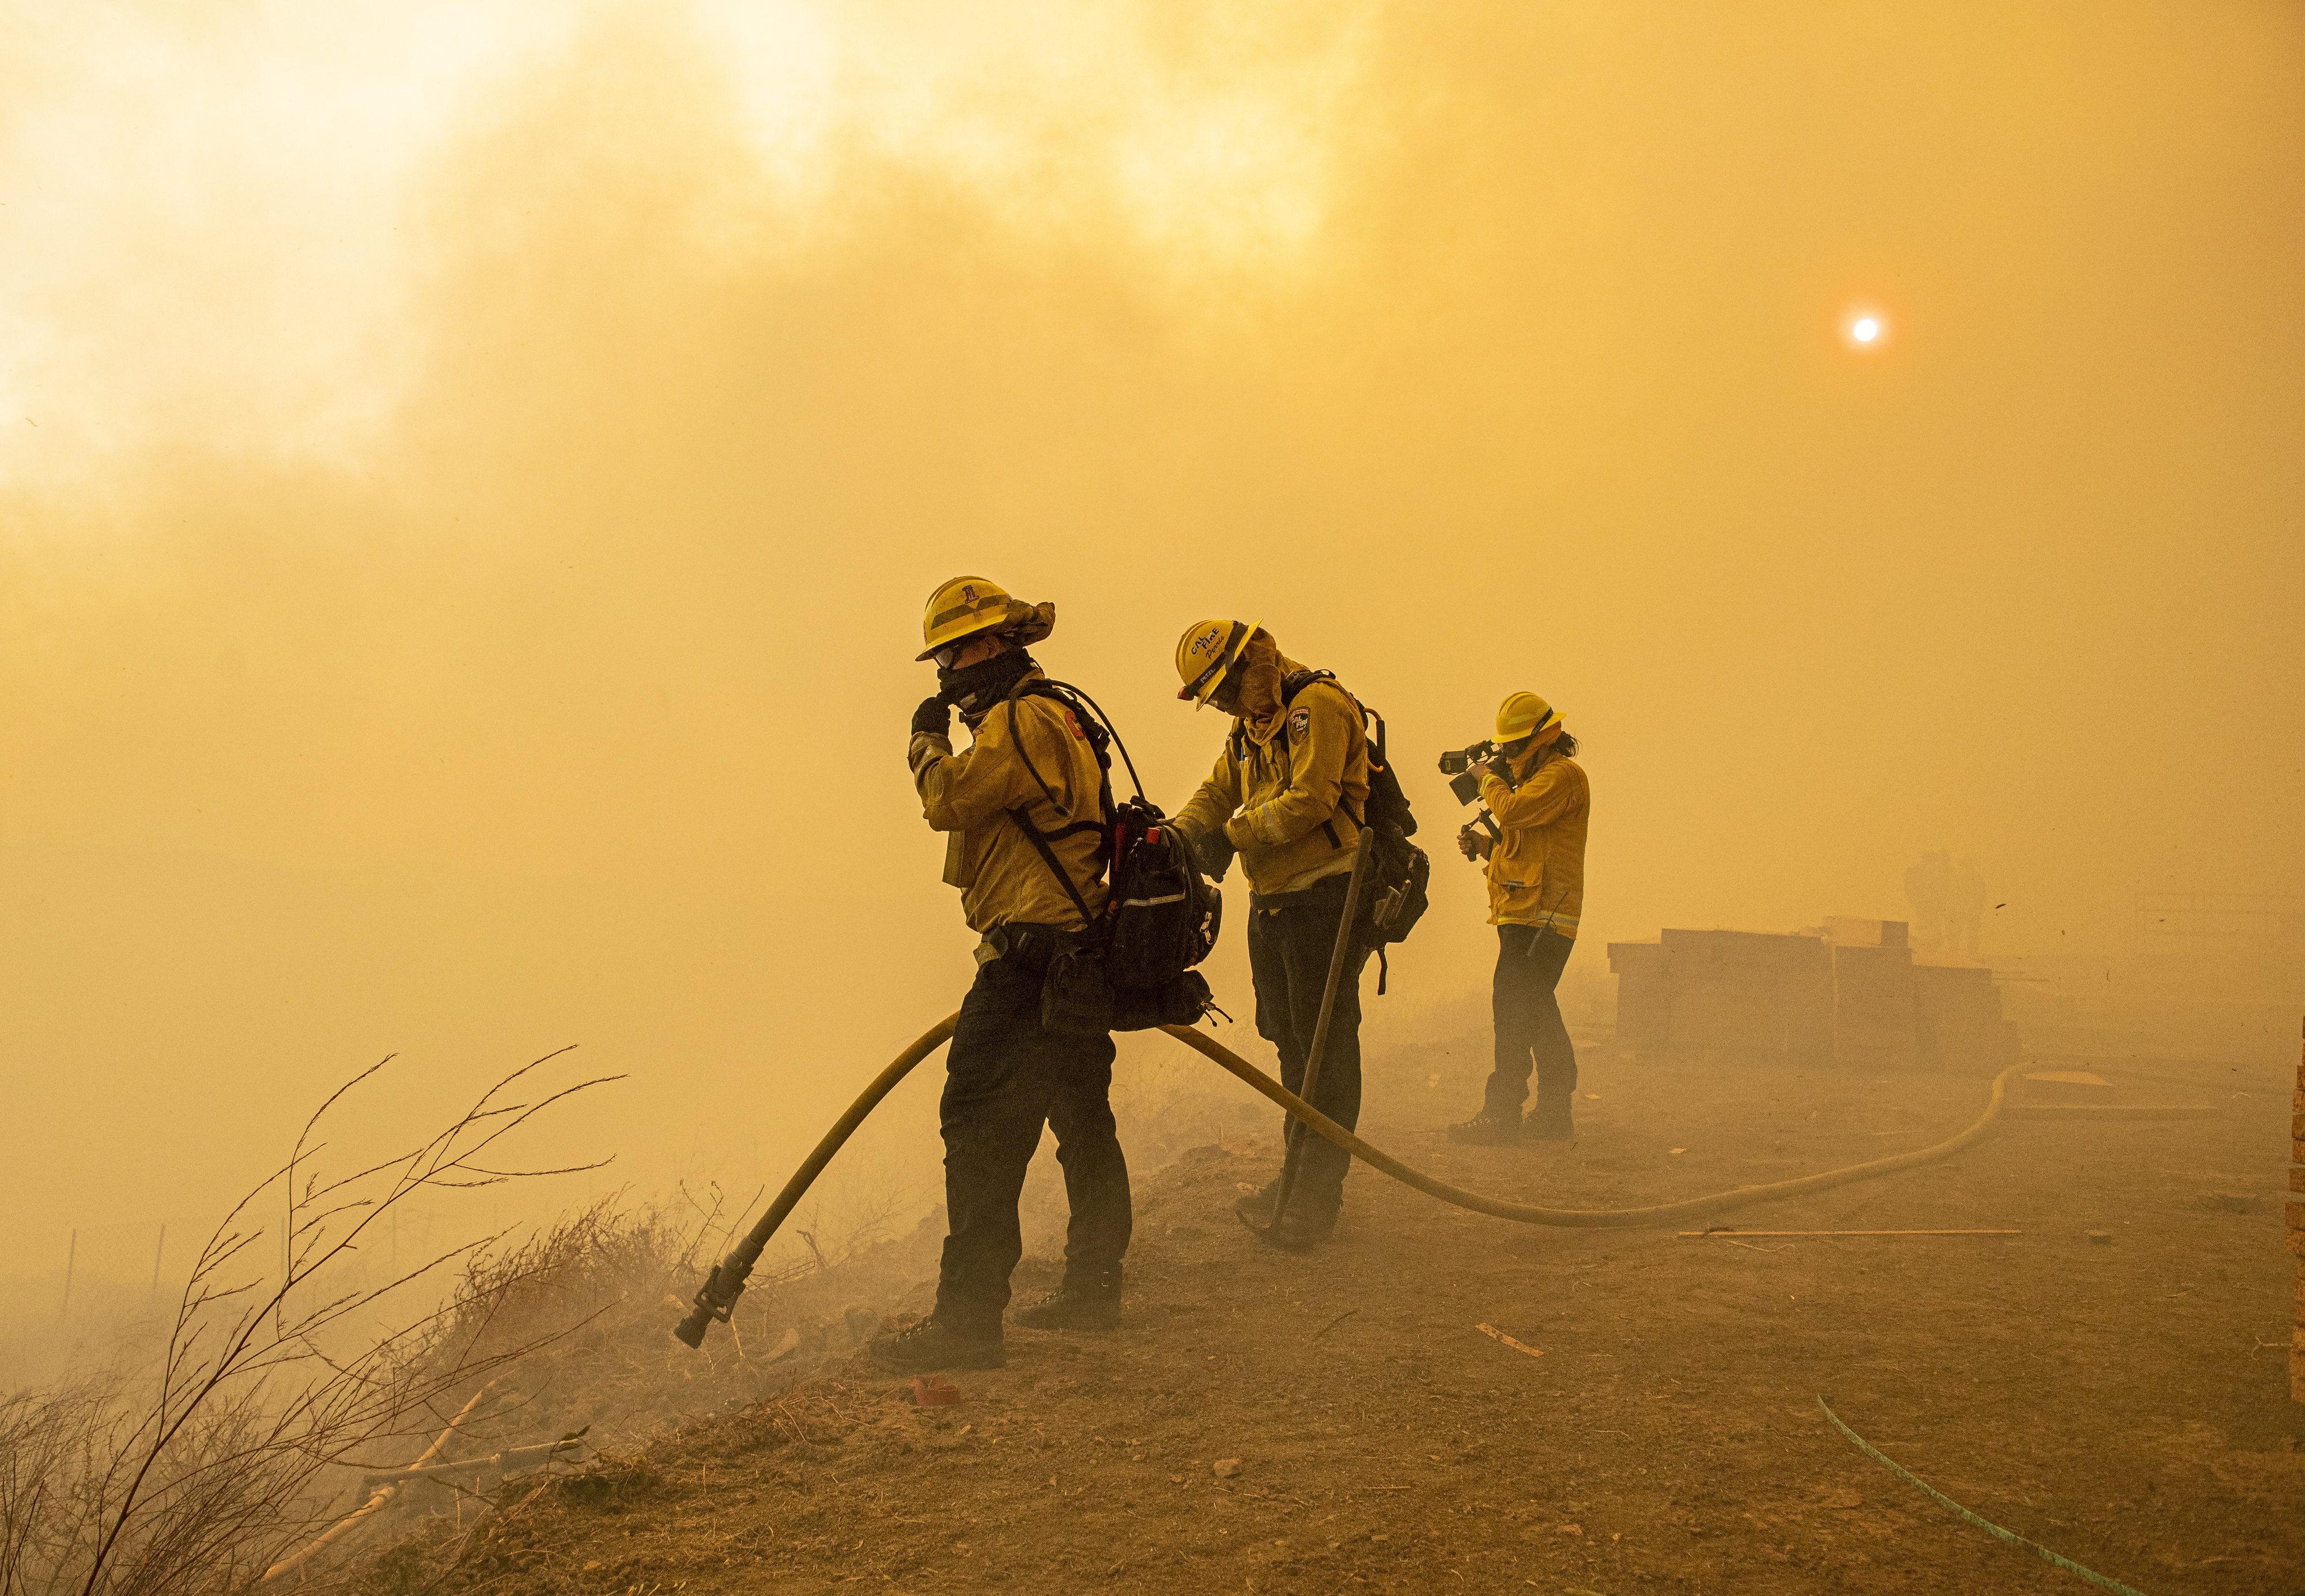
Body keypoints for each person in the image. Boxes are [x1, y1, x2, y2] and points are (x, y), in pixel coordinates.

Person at [867, 576, 1132, 1375]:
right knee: (1083, 1117)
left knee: (978, 1124)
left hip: (1029, 957)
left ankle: (968, 1321)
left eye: (952, 654)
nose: (946, 675)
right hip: (1074, 953)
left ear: (988, 646)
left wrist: (923, 743)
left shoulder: (1018, 721)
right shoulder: (1062, 714)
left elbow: (949, 799)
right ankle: (1094, 1286)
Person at [1170, 618, 1372, 1252]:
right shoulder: (1251, 725)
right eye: (1217, 700)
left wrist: (1229, 836)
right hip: (1276, 899)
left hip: (1326, 897)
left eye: (1226, 691)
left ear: (1253, 665)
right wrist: (1177, 833)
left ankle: (1319, 1194)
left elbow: (1311, 799)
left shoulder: (1317, 707)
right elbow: (1219, 787)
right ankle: (1297, 1172)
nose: (1225, 706)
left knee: (1325, 1046)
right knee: (1289, 1041)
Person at [1446, 693, 1589, 1145]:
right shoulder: (1535, 786)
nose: (1506, 755)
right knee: (1535, 1010)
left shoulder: (1563, 776)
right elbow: (1524, 852)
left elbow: (1511, 811)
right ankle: (1553, 1110)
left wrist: (1485, 777)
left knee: (1513, 1012)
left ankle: (1503, 1112)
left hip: (1544, 919)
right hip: (1528, 914)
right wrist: (1485, 850)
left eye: (1512, 747)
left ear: (1543, 739)